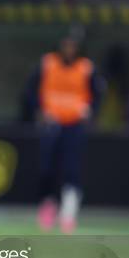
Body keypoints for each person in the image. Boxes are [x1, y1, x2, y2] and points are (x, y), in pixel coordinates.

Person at [27, 37, 104, 234]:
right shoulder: (48, 63)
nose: (69, 50)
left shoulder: (86, 68)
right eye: (66, 45)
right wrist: (39, 110)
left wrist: (90, 110)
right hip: (52, 123)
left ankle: (68, 214)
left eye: (73, 46)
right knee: (47, 167)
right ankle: (48, 206)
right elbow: (32, 90)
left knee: (72, 168)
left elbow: (98, 93)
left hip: (74, 124)